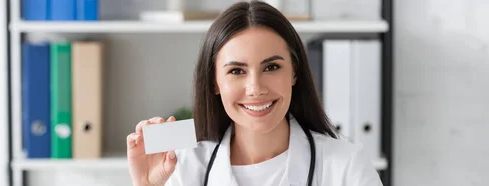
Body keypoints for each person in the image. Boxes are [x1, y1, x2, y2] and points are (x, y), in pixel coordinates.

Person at [126, 1, 383, 186]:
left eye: (271, 67)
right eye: (237, 71)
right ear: (214, 82)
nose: (256, 88)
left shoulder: (346, 167)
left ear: (294, 73)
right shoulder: (184, 168)